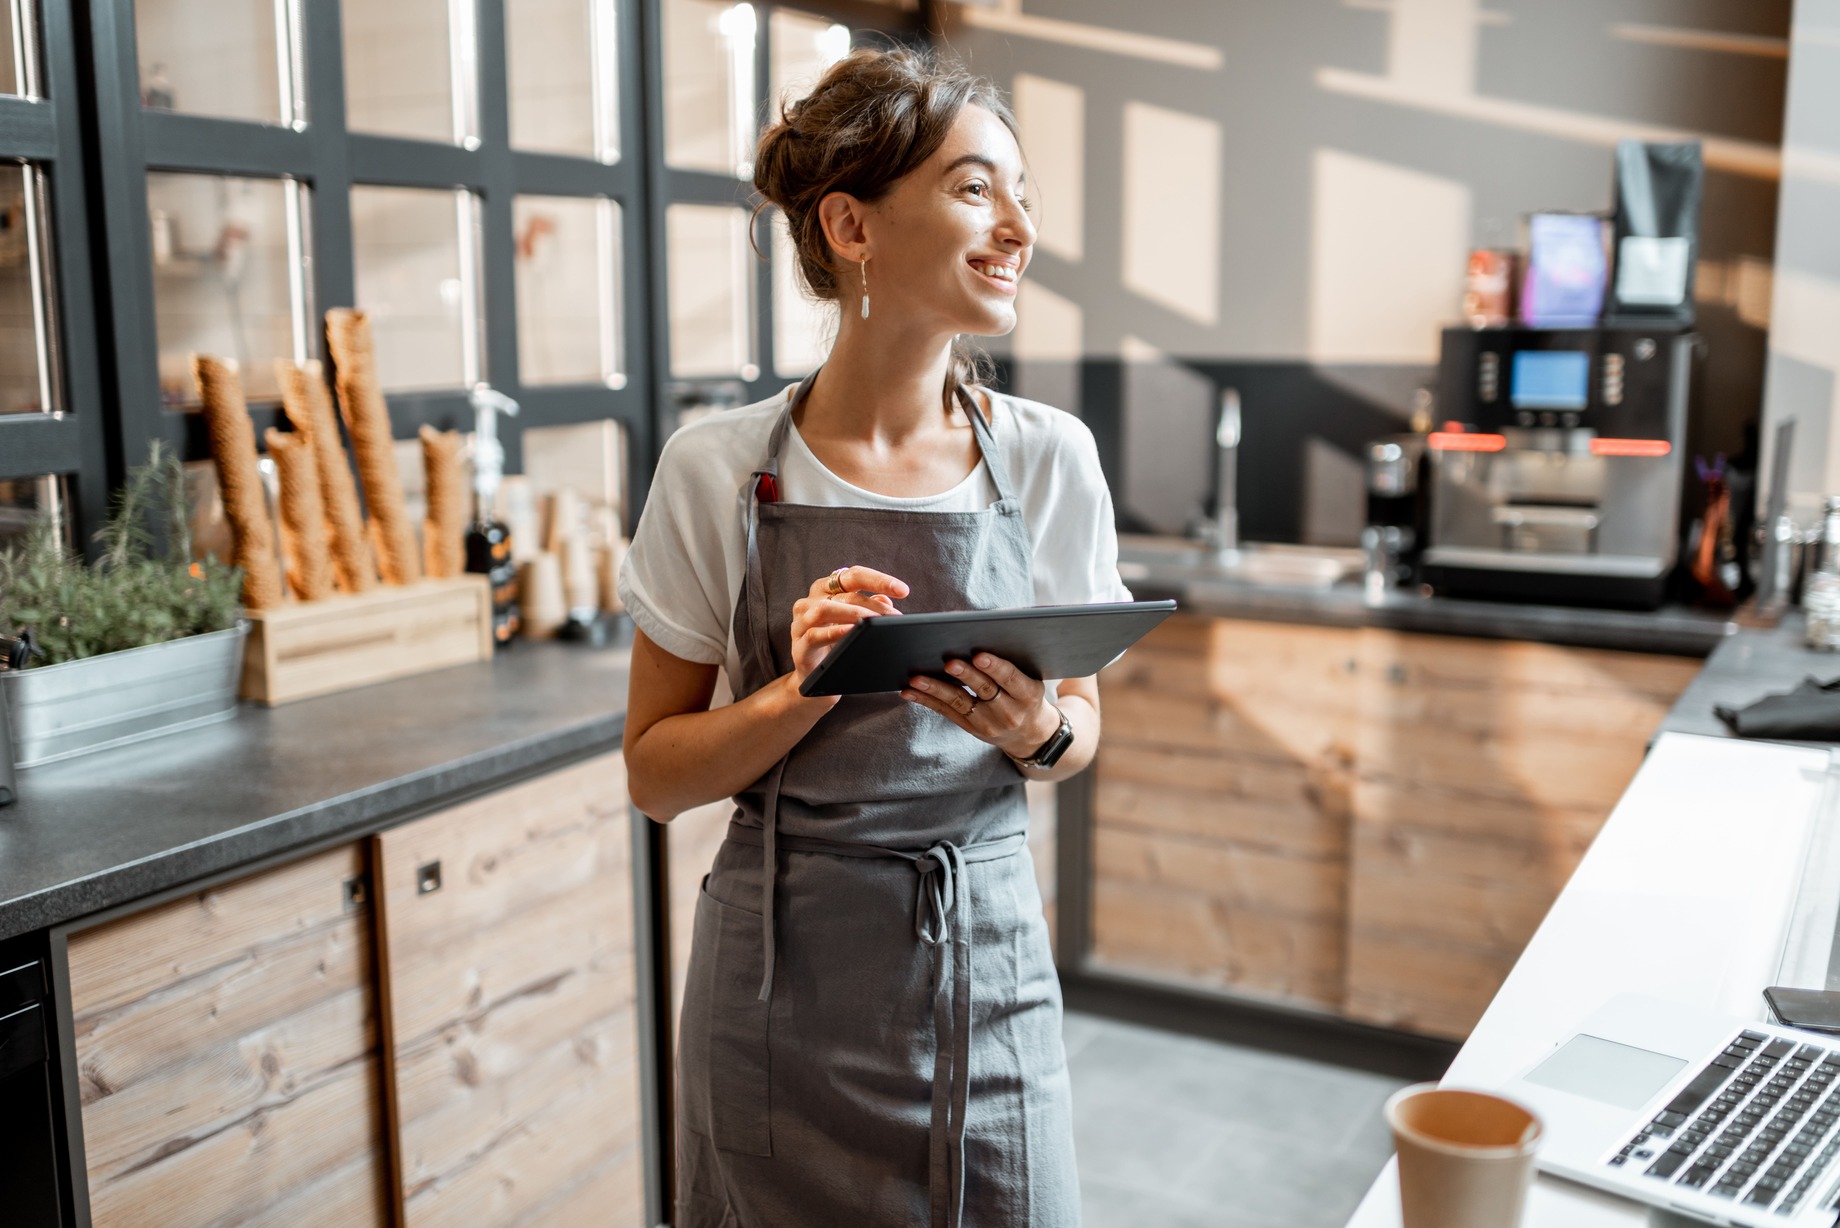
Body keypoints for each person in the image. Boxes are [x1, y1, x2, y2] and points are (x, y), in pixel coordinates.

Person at [619, 45, 1130, 1228]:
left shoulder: (1048, 459)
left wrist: (1039, 730)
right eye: (974, 189)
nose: (1017, 230)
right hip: (774, 990)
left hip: (984, 967)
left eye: (1020, 196)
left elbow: (1079, 733)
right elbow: (654, 777)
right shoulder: (715, 468)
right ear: (850, 225)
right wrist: (799, 688)